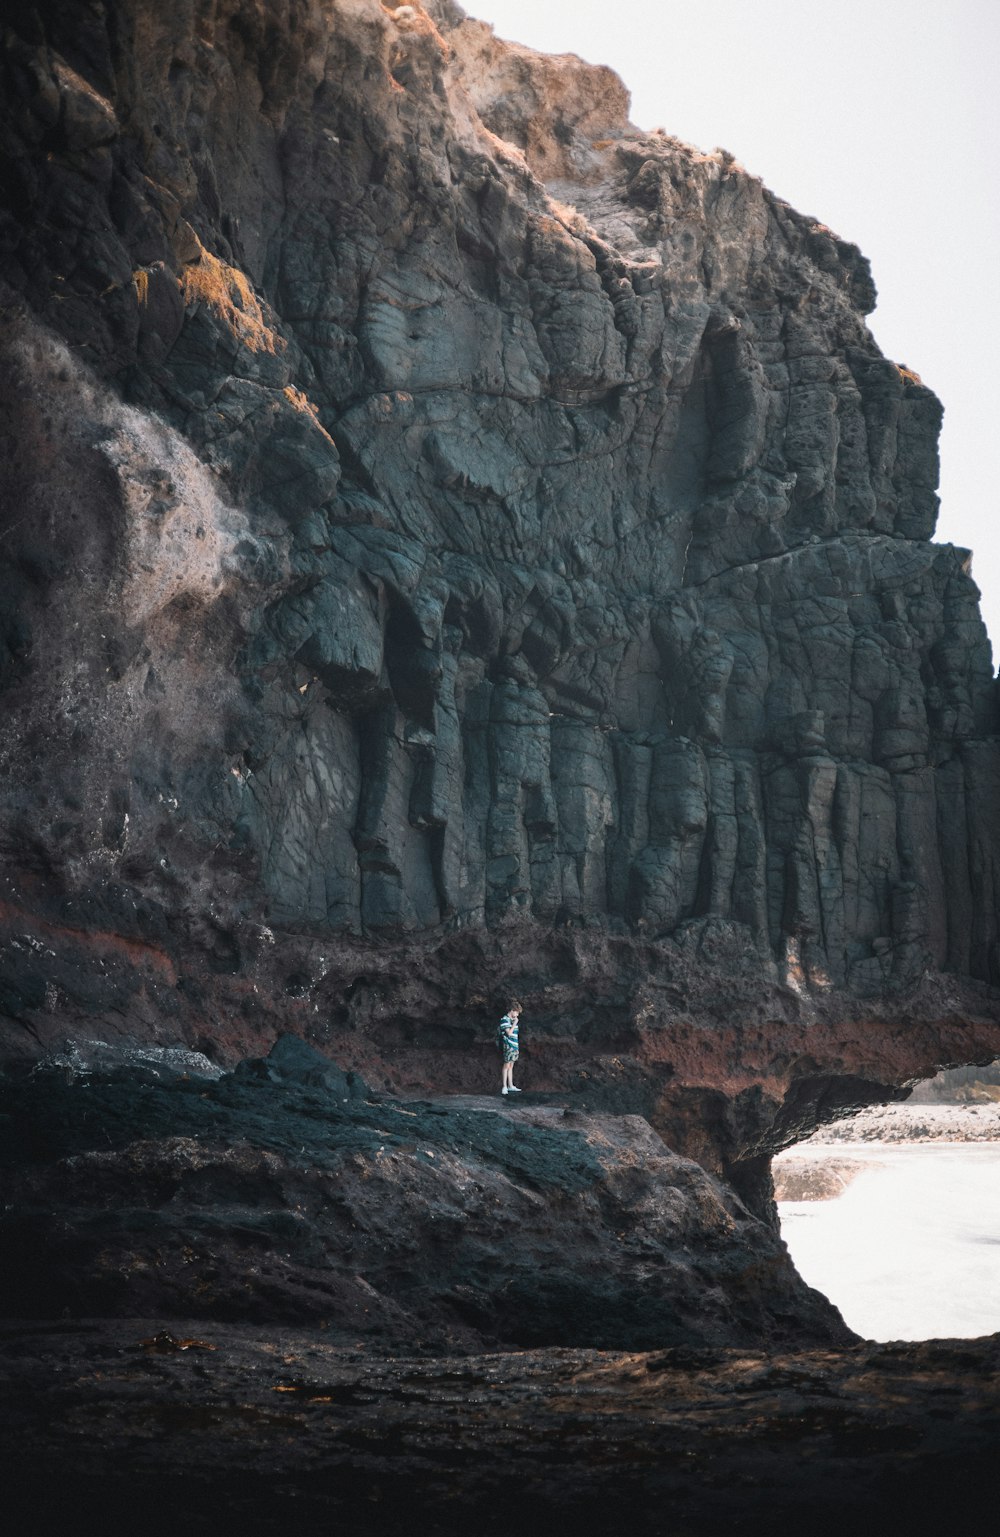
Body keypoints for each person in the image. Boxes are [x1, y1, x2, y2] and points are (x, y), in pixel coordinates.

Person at [497, 1001, 522, 1096]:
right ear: (512, 1010)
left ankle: (510, 1085)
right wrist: (515, 1023)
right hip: (508, 1045)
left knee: (511, 1065)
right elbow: (509, 1033)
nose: (517, 1014)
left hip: (515, 1045)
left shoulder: (512, 1019)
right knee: (506, 1065)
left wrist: (514, 1022)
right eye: (516, 1012)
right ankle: (504, 1086)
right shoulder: (505, 1019)